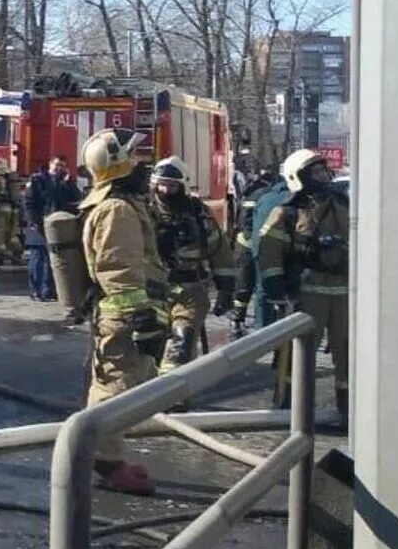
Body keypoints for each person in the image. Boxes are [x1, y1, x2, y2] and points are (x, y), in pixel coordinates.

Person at [77, 129, 170, 496]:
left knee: (127, 385)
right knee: (114, 388)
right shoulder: (117, 209)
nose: (141, 165)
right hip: (124, 316)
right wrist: (141, 317)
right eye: (133, 158)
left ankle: (110, 457)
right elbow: (118, 267)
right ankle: (105, 462)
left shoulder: (124, 204)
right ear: (117, 166)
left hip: (126, 313)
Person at [258, 148, 352, 431]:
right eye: (316, 172)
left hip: (344, 291)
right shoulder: (286, 212)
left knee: (348, 354)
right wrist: (277, 287)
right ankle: (290, 409)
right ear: (298, 178)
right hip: (307, 292)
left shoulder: (344, 205)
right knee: (299, 353)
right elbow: (269, 253)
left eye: (324, 170)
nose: (323, 176)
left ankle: (348, 411)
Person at [149, 157, 233, 369]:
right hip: (151, 290)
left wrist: (226, 290)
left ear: (183, 186)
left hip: (189, 290)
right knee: (151, 348)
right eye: (162, 184)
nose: (166, 191)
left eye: (172, 185)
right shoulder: (142, 211)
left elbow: (219, 249)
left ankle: (170, 396)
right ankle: (151, 396)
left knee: (181, 345)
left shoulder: (197, 213)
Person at [231, 162, 286, 336]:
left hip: (247, 243)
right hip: (254, 244)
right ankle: (259, 326)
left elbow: (242, 220)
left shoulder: (253, 190)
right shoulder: (269, 195)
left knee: (246, 286)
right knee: (257, 287)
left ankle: (239, 319)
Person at [24, 157, 84, 302]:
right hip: (39, 223)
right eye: (57, 165)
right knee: (38, 258)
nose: (59, 168)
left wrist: (69, 182)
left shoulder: (65, 182)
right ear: (50, 164)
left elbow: (77, 200)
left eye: (63, 166)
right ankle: (36, 291)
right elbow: (29, 202)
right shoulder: (37, 180)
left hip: (56, 227)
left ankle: (48, 291)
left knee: (53, 259)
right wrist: (33, 222)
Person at [0, 158, 21, 267]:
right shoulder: (11, 178)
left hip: (1, 208)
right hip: (13, 209)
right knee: (12, 234)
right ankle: (16, 253)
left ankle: (0, 257)